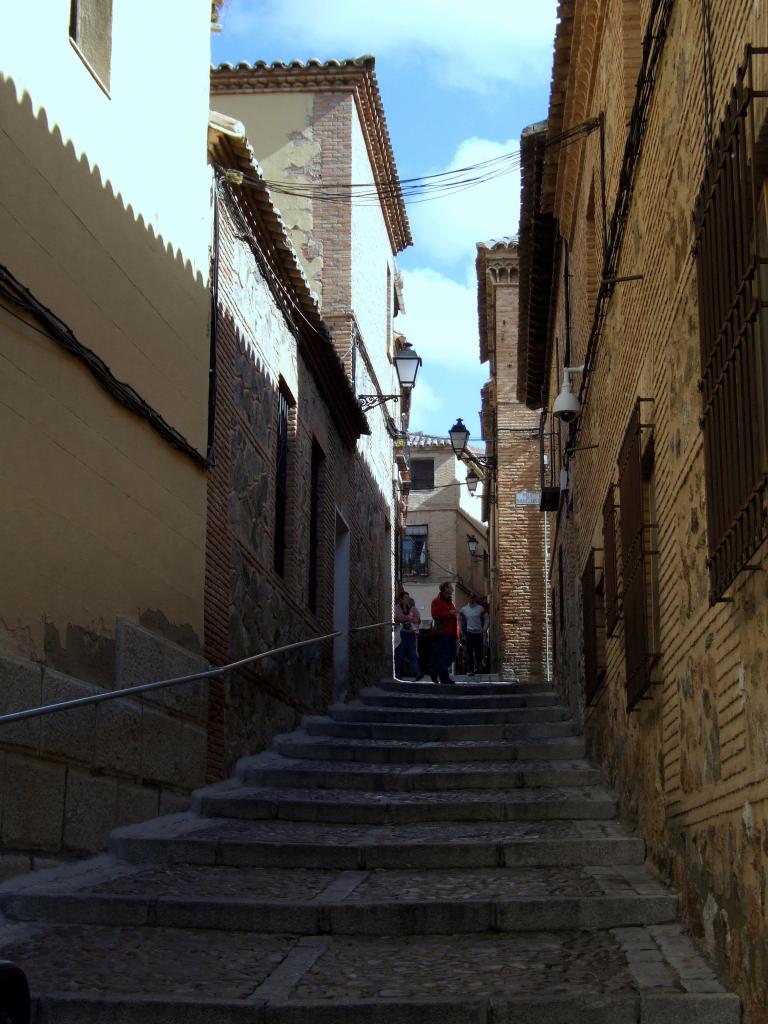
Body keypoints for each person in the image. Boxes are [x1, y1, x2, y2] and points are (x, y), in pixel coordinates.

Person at [430, 581, 459, 684]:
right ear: (445, 589)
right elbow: (435, 614)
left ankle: (435, 671)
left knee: (453, 654)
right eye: (450, 587)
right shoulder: (436, 601)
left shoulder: (451, 602)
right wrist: (449, 613)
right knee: (444, 655)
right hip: (442, 632)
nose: (452, 589)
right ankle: (444, 678)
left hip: (452, 632)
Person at [394, 591, 423, 680]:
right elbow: (398, 617)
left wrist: (408, 618)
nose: (408, 599)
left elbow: (417, 619)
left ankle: (416, 673)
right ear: (401, 599)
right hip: (402, 633)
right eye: (406, 598)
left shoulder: (413, 609)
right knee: (400, 655)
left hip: (411, 634)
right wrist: (409, 618)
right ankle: (398, 675)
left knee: (413, 654)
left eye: (408, 597)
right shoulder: (397, 608)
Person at [460, 594, 489, 675]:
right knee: (469, 652)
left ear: (475, 599)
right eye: (470, 598)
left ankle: (479, 667)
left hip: (479, 633)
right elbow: (460, 619)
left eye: (473, 598)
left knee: (479, 651)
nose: (471, 600)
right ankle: (470, 669)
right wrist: (462, 630)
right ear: (468, 599)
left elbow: (486, 618)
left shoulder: (480, 608)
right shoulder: (464, 609)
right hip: (469, 633)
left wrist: (485, 628)